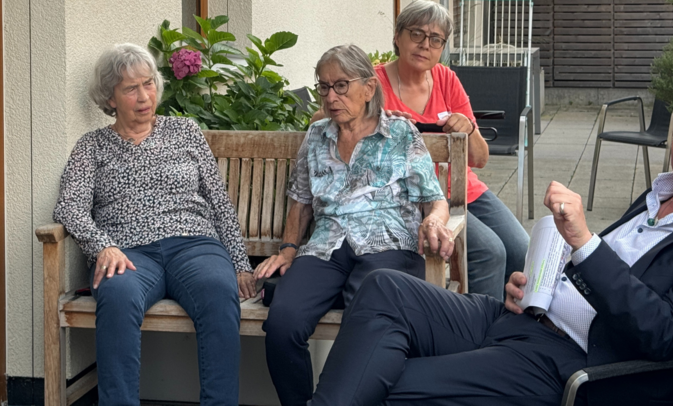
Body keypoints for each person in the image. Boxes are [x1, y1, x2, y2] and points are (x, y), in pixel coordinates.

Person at [309, 71, 673, 406]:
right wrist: (538, 284)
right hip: (525, 317)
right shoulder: (666, 193)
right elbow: (617, 275)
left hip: (578, 361)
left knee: (388, 384)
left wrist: (584, 242)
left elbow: (664, 332)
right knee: (385, 289)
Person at [53, 43, 255, 406]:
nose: (144, 96)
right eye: (131, 88)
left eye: (148, 84)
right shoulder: (92, 146)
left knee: (216, 290)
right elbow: (70, 207)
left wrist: (240, 264)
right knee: (116, 295)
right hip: (126, 253)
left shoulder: (185, 132)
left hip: (194, 245)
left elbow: (218, 202)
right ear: (110, 98)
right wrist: (102, 246)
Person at [255, 44, 454, 406]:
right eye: (324, 87)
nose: (331, 97)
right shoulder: (317, 136)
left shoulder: (399, 133)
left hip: (389, 243)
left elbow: (434, 198)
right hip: (327, 244)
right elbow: (301, 199)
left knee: (366, 322)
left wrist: (436, 222)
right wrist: (287, 249)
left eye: (341, 85)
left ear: (368, 88)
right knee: (283, 321)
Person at [377, 0, 529, 300]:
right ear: (397, 36)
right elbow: (323, 118)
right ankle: (478, 331)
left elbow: (480, 159)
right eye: (416, 34)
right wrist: (374, 120)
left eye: (436, 39)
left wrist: (468, 128)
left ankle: (515, 326)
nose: (425, 45)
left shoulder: (447, 79)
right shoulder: (373, 83)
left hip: (463, 186)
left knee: (522, 249)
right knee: (490, 252)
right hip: (417, 195)